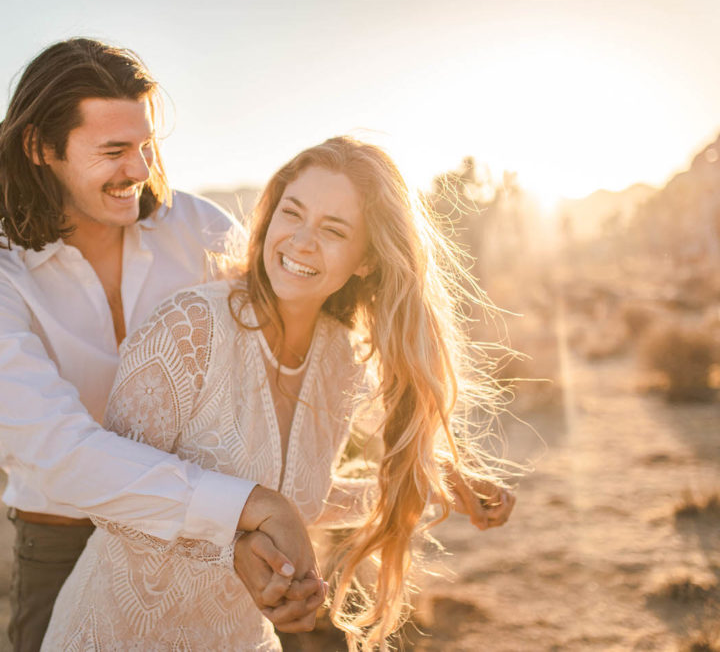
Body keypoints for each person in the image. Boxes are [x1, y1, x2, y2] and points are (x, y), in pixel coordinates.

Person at [42, 136, 516, 651]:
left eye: (334, 230)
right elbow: (113, 497)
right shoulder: (190, 327)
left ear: (367, 260)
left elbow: (301, 497)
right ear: (269, 218)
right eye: (293, 213)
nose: (302, 241)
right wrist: (232, 547)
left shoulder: (338, 357)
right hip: (116, 635)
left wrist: (427, 482)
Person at [0, 38, 324, 651]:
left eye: (145, 147)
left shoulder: (199, 230)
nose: (140, 172)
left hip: (224, 526)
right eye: (114, 151)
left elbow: (293, 348)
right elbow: (60, 454)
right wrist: (245, 509)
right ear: (41, 148)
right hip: (65, 541)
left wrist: (426, 461)